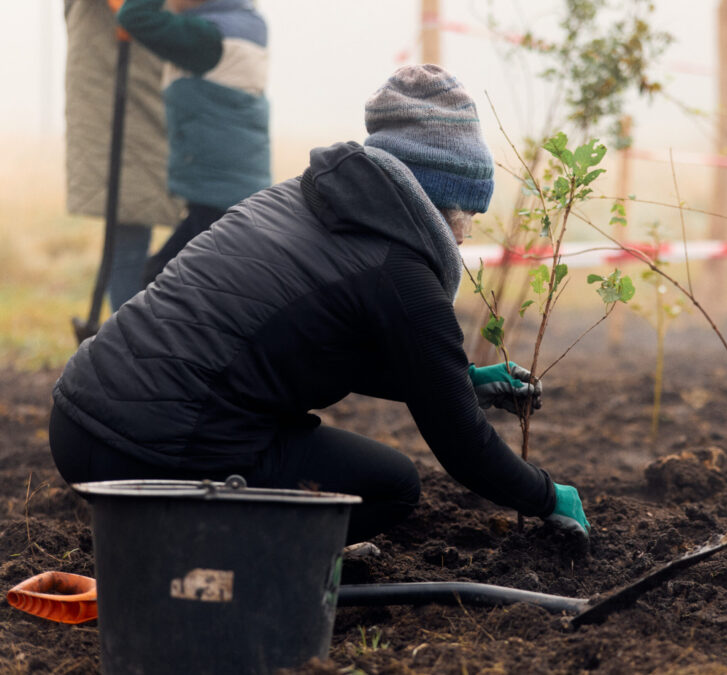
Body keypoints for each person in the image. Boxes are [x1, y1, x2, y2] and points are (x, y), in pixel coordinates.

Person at [49, 64, 592, 543]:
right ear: (440, 196)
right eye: (470, 211)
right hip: (149, 458)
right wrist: (547, 496)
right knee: (390, 486)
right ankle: (235, 557)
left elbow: (315, 340)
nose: (469, 232)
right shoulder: (401, 271)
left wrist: (461, 376)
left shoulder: (303, 199)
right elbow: (462, 445)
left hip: (77, 424)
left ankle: (184, 538)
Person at [114, 0, 272, 287]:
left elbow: (134, 16)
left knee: (161, 280)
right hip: (234, 190)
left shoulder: (206, 35)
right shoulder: (244, 23)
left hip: (217, 196)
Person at [64, 0, 183, 310]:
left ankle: (134, 338)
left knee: (205, 221)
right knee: (131, 226)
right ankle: (131, 344)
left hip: (153, 85)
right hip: (121, 86)